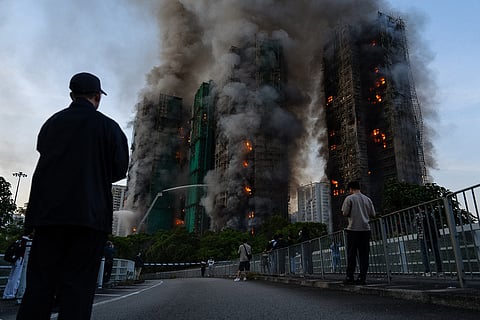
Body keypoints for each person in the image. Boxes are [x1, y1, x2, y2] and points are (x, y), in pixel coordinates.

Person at [17, 72, 129, 320]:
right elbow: (120, 169)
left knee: (39, 286)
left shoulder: (52, 123)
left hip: (48, 218)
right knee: (78, 289)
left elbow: (44, 154)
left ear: (71, 95)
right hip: (89, 219)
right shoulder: (109, 127)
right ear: (97, 97)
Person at [341, 181, 376, 285]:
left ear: (351, 189)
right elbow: (373, 214)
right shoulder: (367, 199)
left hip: (353, 230)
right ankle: (362, 277)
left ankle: (349, 277)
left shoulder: (349, 198)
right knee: (364, 255)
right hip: (366, 230)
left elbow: (345, 213)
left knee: (352, 254)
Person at [2, 234, 31, 300]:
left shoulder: (18, 241)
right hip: (20, 260)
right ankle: (12, 294)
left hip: (15, 260)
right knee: (16, 278)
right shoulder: (26, 241)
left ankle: (6, 294)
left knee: (11, 277)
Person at [415, 208, 443, 276]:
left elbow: (416, 225)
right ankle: (440, 271)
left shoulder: (418, 215)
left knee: (425, 254)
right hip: (433, 236)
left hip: (423, 236)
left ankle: (427, 271)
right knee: (436, 253)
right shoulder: (431, 214)